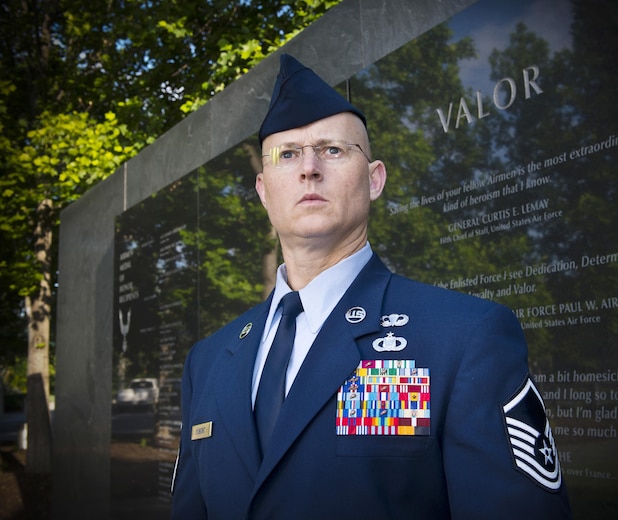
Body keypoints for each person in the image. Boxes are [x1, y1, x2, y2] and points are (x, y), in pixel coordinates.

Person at [170, 53, 571, 519]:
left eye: (333, 150)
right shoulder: (209, 361)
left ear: (374, 179)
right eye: (287, 154)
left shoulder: (464, 338)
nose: (309, 168)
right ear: (263, 189)